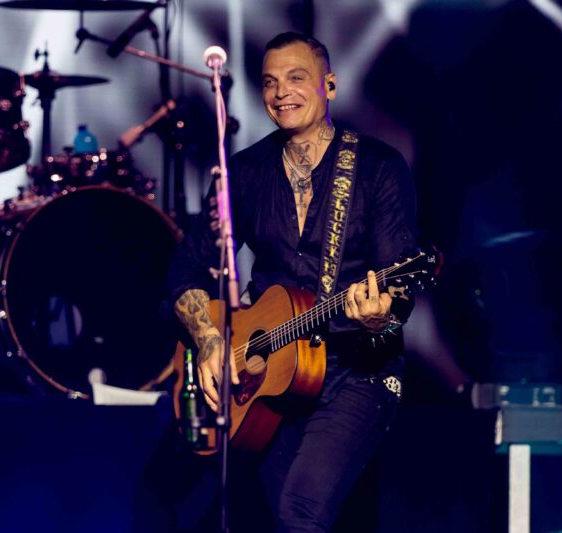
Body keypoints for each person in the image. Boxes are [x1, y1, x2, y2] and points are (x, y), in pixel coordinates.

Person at [167, 31, 418, 530]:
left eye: (297, 77)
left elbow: (399, 296)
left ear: (330, 85)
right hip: (270, 382)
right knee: (283, 522)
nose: (282, 92)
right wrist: (210, 339)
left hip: (357, 372)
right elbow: (186, 269)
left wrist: (379, 318)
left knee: (300, 513)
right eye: (270, 82)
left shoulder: (378, 168)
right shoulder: (244, 172)